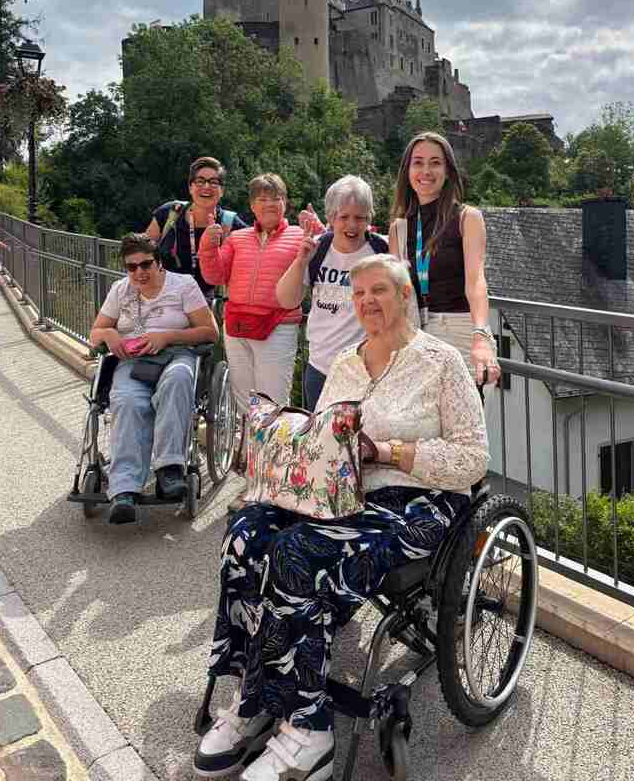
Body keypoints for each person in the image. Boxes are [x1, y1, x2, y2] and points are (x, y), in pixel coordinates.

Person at [193, 254, 488, 781]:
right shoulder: (346, 363)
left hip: (416, 502)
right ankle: (257, 693)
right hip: (341, 497)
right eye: (359, 294)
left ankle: (311, 732)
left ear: (404, 296)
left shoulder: (440, 361)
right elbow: (321, 438)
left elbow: (473, 458)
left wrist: (389, 452)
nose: (368, 301)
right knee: (245, 535)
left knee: (296, 553)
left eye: (379, 290)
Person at [88, 234, 219, 525]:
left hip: (176, 354)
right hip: (133, 361)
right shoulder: (120, 290)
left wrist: (168, 336)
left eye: (145, 264)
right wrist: (109, 334)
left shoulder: (183, 285)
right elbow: (95, 333)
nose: (139, 272)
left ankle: (168, 469)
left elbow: (210, 332)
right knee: (127, 401)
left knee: (178, 380)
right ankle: (124, 489)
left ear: (159, 263)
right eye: (131, 267)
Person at [198, 173, 320, 414]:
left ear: (285, 203)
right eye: (262, 199)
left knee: (272, 400)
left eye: (276, 198)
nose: (269, 204)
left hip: (278, 325)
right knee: (245, 398)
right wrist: (208, 246)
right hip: (237, 327)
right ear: (252, 206)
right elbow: (216, 276)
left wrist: (317, 228)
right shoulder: (237, 238)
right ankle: (248, 438)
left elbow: (328, 255)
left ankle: (268, 438)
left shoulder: (300, 235)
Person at [389, 131, 501, 389]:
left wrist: (481, 335)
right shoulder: (399, 228)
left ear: (448, 171)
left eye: (435, 163)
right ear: (407, 171)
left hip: (460, 331)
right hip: (415, 334)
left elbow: (476, 281)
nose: (426, 171)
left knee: (465, 414)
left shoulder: (467, 218)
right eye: (418, 163)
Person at [275, 175, 388, 411]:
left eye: (359, 218)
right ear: (331, 217)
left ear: (369, 218)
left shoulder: (381, 251)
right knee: (321, 432)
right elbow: (286, 300)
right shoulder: (317, 248)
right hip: (321, 367)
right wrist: (300, 262)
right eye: (344, 217)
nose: (352, 225)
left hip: (366, 367)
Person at [145, 157, 248, 303]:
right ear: (190, 187)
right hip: (164, 300)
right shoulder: (170, 213)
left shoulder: (230, 223)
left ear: (222, 191)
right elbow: (143, 250)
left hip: (206, 305)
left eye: (213, 182)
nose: (206, 186)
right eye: (200, 181)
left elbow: (258, 247)